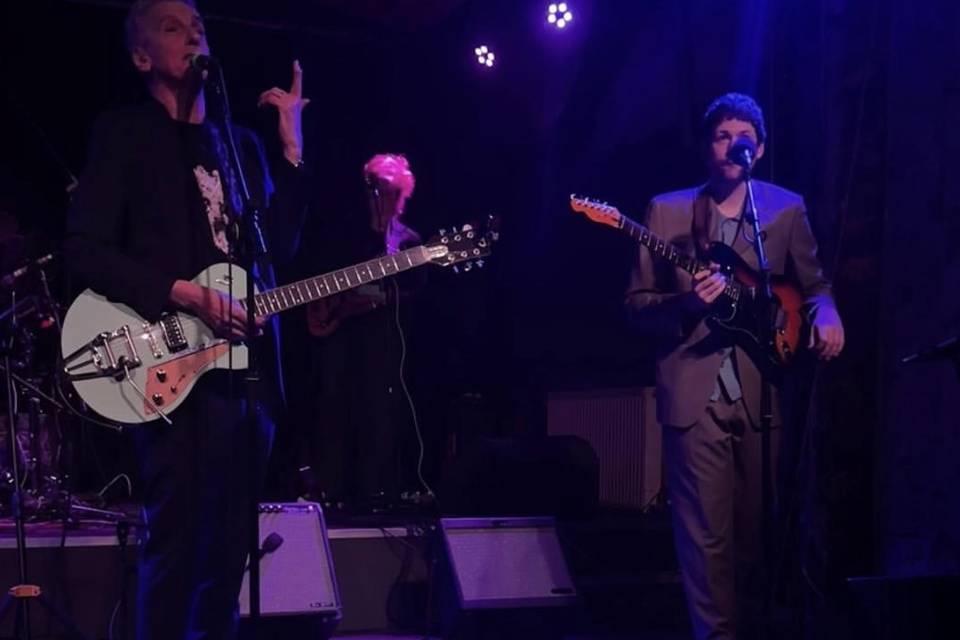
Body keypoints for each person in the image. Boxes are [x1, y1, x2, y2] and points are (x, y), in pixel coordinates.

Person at [63, 1, 311, 637]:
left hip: (247, 378)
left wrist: (289, 145)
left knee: (229, 556)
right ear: (142, 56)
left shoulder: (238, 143)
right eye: (173, 26)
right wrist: (182, 293)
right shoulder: (125, 134)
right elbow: (85, 250)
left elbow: (274, 254)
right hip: (169, 364)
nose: (194, 31)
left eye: (197, 23)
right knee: (178, 546)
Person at [624, 93, 844, 640]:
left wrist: (829, 312)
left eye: (742, 137)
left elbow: (814, 285)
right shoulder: (667, 211)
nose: (731, 145)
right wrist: (689, 305)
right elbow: (636, 307)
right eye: (721, 136)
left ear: (760, 149)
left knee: (754, 538)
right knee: (705, 542)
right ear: (706, 146)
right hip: (693, 392)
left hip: (762, 387)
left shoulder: (784, 208)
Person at [301, 153, 424, 510]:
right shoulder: (346, 235)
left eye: (384, 189)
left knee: (378, 412)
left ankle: (376, 493)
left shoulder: (408, 242)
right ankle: (330, 491)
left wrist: (382, 298)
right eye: (372, 187)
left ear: (399, 194)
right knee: (333, 408)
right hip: (342, 336)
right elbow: (321, 276)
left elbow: (418, 290)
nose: (376, 196)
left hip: (381, 340)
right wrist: (333, 306)